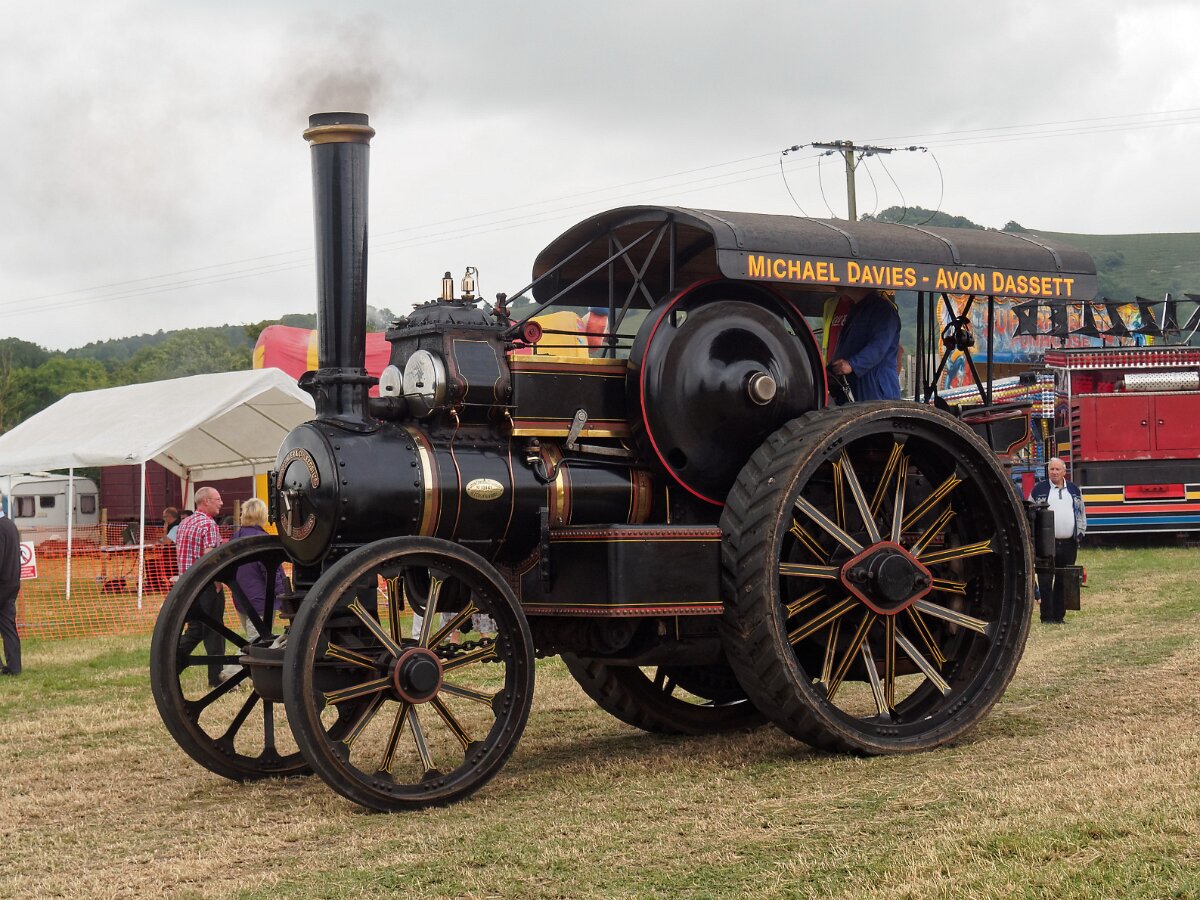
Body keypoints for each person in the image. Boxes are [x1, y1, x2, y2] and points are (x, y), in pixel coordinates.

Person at [174, 487, 235, 686]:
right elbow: (210, 557)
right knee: (214, 631)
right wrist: (217, 582)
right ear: (206, 501)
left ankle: (170, 663)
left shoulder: (185, 523)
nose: (221, 503)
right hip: (206, 585)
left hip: (187, 585)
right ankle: (216, 678)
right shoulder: (209, 524)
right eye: (218, 499)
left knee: (196, 629)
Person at [1030, 458, 1087, 624]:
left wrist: (1080, 534)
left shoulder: (1074, 490)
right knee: (1045, 580)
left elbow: (1081, 512)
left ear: (1064, 472)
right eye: (1051, 469)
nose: (1054, 472)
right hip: (1046, 544)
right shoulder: (1039, 490)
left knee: (1064, 580)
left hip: (1069, 543)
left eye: (1057, 469)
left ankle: (1059, 616)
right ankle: (1046, 617)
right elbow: (1030, 514)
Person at [828, 288, 902, 402]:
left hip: (875, 388)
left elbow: (878, 346)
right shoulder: (856, 309)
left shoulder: (883, 310)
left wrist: (852, 365)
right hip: (855, 384)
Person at [230, 498, 287, 642]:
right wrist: (283, 597)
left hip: (240, 599)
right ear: (262, 515)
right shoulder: (262, 540)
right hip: (260, 602)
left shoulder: (235, 538)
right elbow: (272, 572)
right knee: (257, 643)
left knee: (253, 640)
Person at [0, 491, 22, 676]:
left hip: (2, 584)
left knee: (7, 626)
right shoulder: (10, 525)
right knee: (8, 627)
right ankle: (14, 667)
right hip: (11, 583)